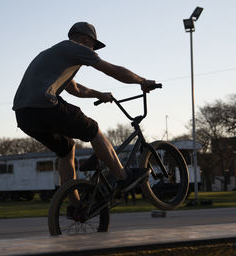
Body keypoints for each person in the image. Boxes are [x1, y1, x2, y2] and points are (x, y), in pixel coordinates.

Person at [13, 21, 156, 194]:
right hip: (44, 105)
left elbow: (75, 89)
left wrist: (98, 94)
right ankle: (122, 177)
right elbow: (112, 70)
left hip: (23, 115)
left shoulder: (55, 55)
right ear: (85, 39)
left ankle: (75, 205)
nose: (93, 50)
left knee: (66, 149)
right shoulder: (75, 48)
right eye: (93, 45)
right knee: (93, 129)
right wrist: (142, 81)